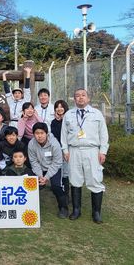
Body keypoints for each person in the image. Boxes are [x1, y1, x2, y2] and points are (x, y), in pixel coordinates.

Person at [61, 89, 109, 223]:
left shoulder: (97, 114)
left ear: (88, 98)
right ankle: (76, 210)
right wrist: (65, 150)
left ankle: (96, 212)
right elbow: (63, 134)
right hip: (74, 150)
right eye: (77, 96)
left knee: (95, 179)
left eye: (83, 95)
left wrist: (103, 151)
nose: (80, 98)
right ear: (74, 99)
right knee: (75, 179)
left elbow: (103, 134)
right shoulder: (69, 114)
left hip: (92, 151)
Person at [28, 122, 68, 219]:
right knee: (32, 185)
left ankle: (63, 207)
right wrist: (40, 175)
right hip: (40, 169)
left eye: (42, 133)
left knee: (56, 186)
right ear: (33, 134)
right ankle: (30, 208)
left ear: (46, 133)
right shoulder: (31, 144)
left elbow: (57, 162)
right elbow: (33, 161)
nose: (39, 136)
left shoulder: (54, 144)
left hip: (54, 168)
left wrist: (47, 177)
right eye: (37, 133)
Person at [50, 100, 70, 205]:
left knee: (67, 172)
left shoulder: (70, 120)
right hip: (59, 150)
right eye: (57, 107)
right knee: (62, 171)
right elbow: (55, 136)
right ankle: (63, 194)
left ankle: (67, 194)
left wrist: (63, 120)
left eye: (61, 107)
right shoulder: (54, 122)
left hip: (69, 149)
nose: (59, 109)